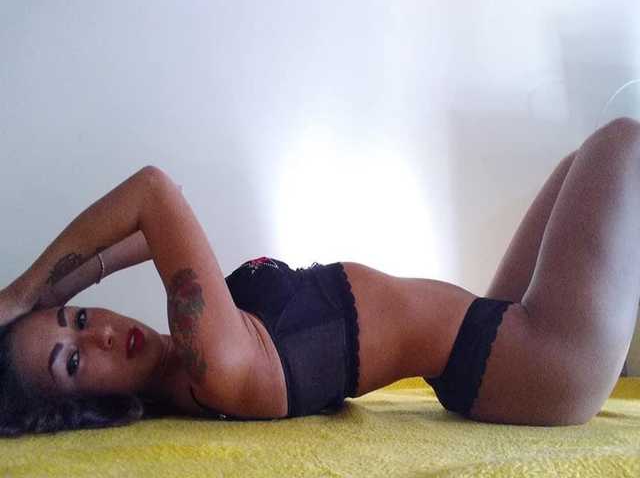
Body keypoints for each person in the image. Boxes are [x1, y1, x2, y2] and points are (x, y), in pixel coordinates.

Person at [1, 117, 638, 437]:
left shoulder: (198, 331)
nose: (99, 335)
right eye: (73, 362)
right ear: (88, 407)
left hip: (494, 343)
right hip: (541, 362)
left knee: (577, 165)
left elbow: (153, 229)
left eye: (78, 320)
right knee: (624, 143)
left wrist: (67, 284)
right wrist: (29, 293)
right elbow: (153, 193)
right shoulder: (213, 365)